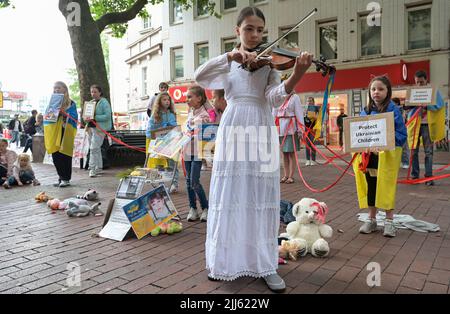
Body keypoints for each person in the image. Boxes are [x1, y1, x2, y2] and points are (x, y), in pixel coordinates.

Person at [194, 6, 313, 292]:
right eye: (249, 28)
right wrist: (229, 56)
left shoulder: (269, 64)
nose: (256, 34)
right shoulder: (229, 63)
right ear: (238, 31)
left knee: (261, 194)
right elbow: (201, 76)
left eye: (260, 30)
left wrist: (296, 74)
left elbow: (273, 98)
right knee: (231, 192)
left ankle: (265, 264)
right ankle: (224, 262)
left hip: (260, 124)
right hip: (234, 125)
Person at [354, 76, 407, 238]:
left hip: (387, 157)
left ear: (388, 91)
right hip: (369, 156)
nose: (376, 92)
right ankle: (371, 219)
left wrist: (385, 144)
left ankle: (389, 221)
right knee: (371, 185)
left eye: (380, 89)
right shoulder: (366, 110)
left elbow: (401, 134)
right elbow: (359, 132)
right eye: (373, 89)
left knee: (386, 186)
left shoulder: (393, 110)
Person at [407, 70, 446, 186]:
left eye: (421, 82)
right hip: (414, 124)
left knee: (428, 152)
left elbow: (439, 105)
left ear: (426, 80)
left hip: (428, 125)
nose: (419, 85)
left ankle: (428, 177)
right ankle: (415, 175)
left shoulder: (434, 92)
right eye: (417, 82)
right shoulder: (413, 92)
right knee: (413, 150)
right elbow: (407, 106)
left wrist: (427, 105)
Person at [183, 85, 211, 223]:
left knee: (194, 181)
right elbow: (186, 131)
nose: (187, 99)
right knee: (188, 181)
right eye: (186, 97)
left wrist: (193, 134)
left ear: (199, 98)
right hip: (186, 151)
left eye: (190, 97)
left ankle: (206, 208)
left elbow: (205, 134)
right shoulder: (190, 114)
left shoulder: (204, 115)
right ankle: (193, 208)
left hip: (197, 152)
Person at [44, 81, 78, 188]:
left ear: (65, 89)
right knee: (55, 155)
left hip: (66, 131)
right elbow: (47, 117)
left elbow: (74, 117)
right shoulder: (52, 102)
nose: (56, 90)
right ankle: (61, 177)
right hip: (54, 132)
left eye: (59, 88)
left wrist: (65, 114)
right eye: (55, 88)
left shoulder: (71, 103)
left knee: (65, 155)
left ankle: (65, 178)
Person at [146, 92, 179, 193]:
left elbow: (175, 127)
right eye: (164, 100)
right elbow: (150, 130)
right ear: (159, 102)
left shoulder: (172, 114)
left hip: (170, 143)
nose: (167, 102)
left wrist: (171, 126)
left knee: (172, 164)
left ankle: (174, 183)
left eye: (168, 100)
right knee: (159, 165)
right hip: (159, 143)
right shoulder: (155, 115)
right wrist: (160, 127)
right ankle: (161, 184)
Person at [273, 93, 304, 184]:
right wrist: (271, 128)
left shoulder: (295, 97)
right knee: (284, 153)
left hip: (291, 128)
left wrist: (300, 129)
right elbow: (273, 113)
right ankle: (285, 175)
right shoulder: (278, 97)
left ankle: (291, 176)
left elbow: (299, 113)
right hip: (280, 129)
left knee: (291, 152)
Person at [86, 85, 113, 178]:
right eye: (92, 92)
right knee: (95, 148)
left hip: (100, 129)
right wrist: (86, 118)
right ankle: (98, 167)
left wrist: (94, 117)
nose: (93, 94)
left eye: (95, 92)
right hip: (90, 128)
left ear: (100, 92)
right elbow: (86, 116)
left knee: (93, 148)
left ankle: (92, 168)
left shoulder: (104, 102)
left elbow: (107, 115)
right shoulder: (90, 103)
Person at [392, 98, 409, 169]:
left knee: (403, 148)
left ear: (396, 103)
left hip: (400, 131)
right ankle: (403, 163)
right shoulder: (393, 109)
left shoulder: (399, 110)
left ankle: (405, 162)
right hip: (395, 130)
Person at [304, 97, 319, 166]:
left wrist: (315, 117)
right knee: (307, 145)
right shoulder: (304, 108)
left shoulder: (316, 108)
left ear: (313, 102)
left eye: (310, 101)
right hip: (306, 128)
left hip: (313, 128)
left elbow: (319, 117)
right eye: (308, 101)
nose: (309, 102)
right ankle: (307, 160)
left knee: (312, 144)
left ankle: (313, 160)